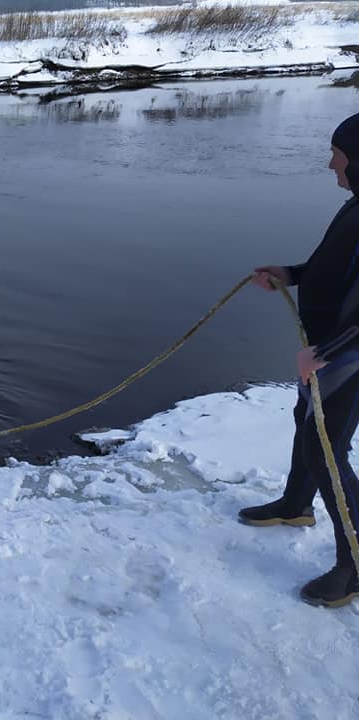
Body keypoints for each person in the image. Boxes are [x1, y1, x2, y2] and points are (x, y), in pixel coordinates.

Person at [242, 112, 359, 607]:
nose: (330, 162)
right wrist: (290, 274)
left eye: (339, 154)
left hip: (345, 354)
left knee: (326, 448)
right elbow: (333, 269)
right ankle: (295, 505)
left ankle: (354, 567)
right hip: (327, 348)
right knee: (308, 427)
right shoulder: (355, 208)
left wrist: (325, 353)